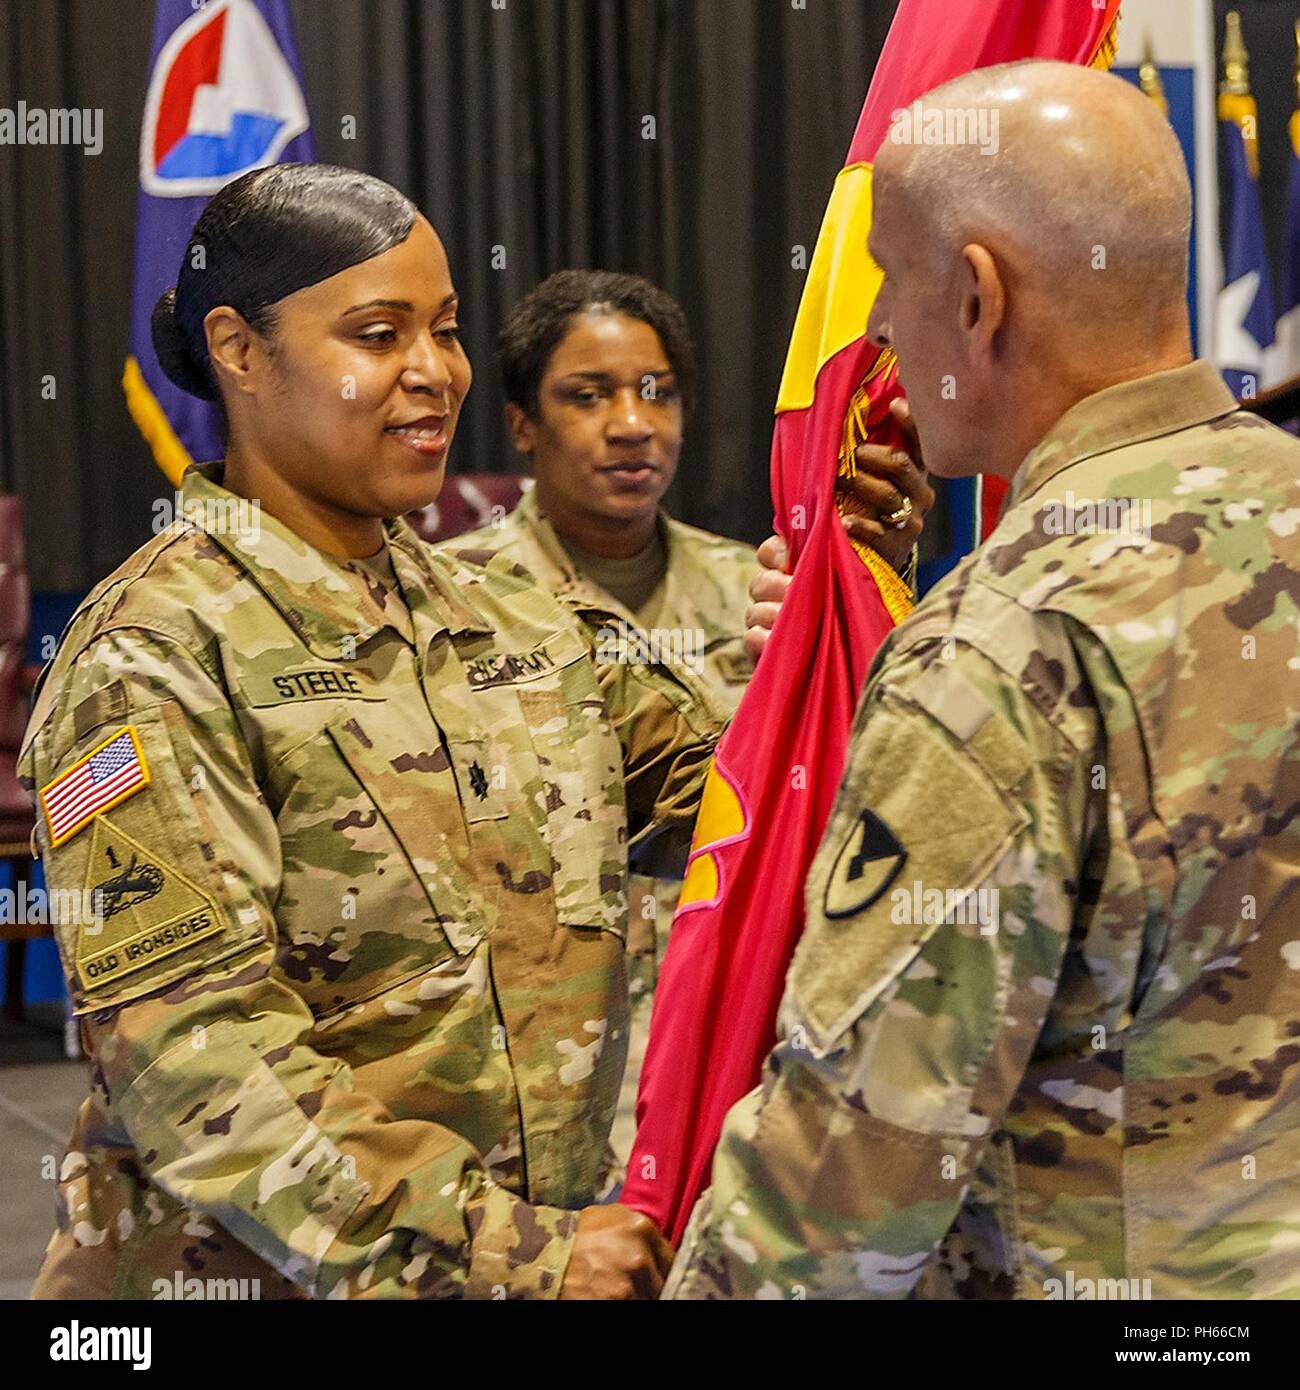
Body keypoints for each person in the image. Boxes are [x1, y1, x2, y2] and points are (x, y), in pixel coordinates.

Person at [21, 165, 917, 1301]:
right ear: (240, 350)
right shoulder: (151, 656)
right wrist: (515, 1252)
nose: (434, 372)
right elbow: (195, 1058)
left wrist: (847, 614)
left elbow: (767, 813)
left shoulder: (515, 616)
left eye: (444, 331)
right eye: (378, 333)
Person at [667, 61, 1300, 1300]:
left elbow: (842, 1190)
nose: (884, 333)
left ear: (974, 295)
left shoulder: (1007, 645)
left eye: (891, 285)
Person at [451, 270, 922, 1174]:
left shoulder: (766, 586)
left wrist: (868, 600)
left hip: (733, 1043)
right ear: (522, 424)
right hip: (543, 1076)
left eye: (656, 391)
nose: (632, 422)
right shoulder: (457, 608)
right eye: (586, 396)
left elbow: (837, 782)